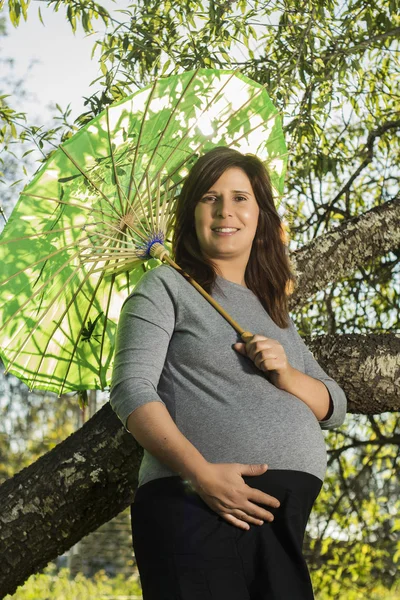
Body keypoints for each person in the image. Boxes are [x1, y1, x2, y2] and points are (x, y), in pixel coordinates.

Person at [109, 146, 347, 599]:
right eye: (209, 197)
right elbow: (130, 388)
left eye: (240, 198)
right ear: (192, 212)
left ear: (260, 215)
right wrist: (201, 475)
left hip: (279, 524)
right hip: (195, 510)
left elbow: (334, 405)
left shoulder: (273, 310)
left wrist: (286, 373)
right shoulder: (164, 286)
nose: (225, 211)